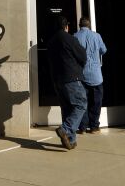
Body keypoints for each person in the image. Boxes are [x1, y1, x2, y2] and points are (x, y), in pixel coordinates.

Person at [45, 13, 87, 150]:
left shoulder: (51, 42)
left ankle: (70, 139)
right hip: (72, 78)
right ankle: (66, 129)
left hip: (58, 80)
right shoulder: (69, 38)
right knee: (81, 105)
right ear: (66, 26)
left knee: (67, 110)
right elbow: (82, 56)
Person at [73, 17, 108, 133]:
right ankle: (94, 126)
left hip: (82, 75)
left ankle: (82, 127)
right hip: (96, 75)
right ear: (89, 25)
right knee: (96, 101)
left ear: (79, 25)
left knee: (83, 102)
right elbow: (104, 50)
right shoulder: (96, 36)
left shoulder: (75, 37)